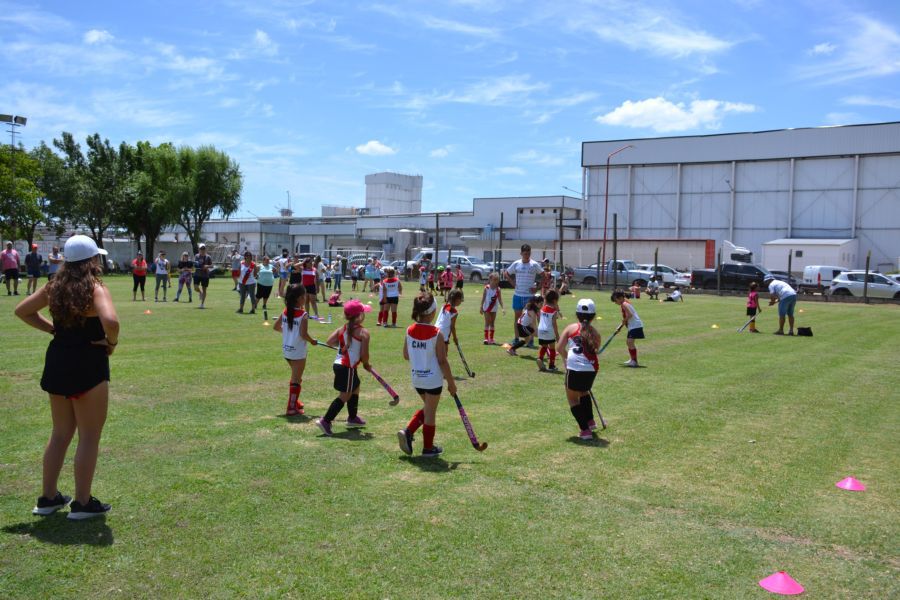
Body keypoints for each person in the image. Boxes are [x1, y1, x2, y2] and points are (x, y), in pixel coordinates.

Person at [14, 234, 118, 519]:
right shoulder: (96, 288)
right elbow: (111, 322)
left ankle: (48, 498)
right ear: (92, 260)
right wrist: (112, 343)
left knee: (60, 434)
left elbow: (22, 311)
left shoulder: (53, 287)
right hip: (88, 363)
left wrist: (53, 330)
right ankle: (82, 503)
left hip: (58, 360)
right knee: (89, 436)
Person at [397, 293, 458, 457]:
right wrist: (451, 383)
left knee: (428, 408)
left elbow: (406, 355)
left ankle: (408, 432)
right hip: (432, 380)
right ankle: (427, 447)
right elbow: (442, 361)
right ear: (432, 313)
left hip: (417, 379)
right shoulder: (437, 333)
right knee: (430, 412)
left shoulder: (409, 330)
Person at [316, 299, 371, 435]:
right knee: (345, 395)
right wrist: (366, 364)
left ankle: (352, 417)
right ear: (359, 315)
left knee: (355, 386)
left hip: (338, 364)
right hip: (348, 367)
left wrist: (344, 347)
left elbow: (329, 342)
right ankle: (326, 421)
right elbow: (364, 355)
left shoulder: (343, 328)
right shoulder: (364, 332)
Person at [556, 298, 602, 440]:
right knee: (583, 391)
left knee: (573, 399)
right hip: (592, 368)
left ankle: (585, 430)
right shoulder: (595, 333)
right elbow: (595, 349)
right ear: (593, 316)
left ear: (577, 314)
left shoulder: (570, 328)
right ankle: (590, 421)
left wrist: (566, 360)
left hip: (574, 367)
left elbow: (559, 348)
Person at [273, 284, 318, 416]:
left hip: (287, 350)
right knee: (296, 379)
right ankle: (291, 407)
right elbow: (304, 335)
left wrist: (288, 333)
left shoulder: (286, 310)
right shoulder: (303, 314)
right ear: (299, 298)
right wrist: (312, 341)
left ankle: (295, 401)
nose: (305, 299)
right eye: (304, 297)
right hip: (298, 352)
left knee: (295, 377)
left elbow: (276, 327)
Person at [505, 244, 543, 347]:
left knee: (531, 319)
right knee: (517, 319)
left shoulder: (534, 264)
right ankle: (516, 338)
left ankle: (530, 340)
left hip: (529, 296)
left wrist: (537, 287)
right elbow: (506, 273)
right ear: (521, 253)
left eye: (528, 253)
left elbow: (544, 276)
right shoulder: (516, 263)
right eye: (525, 253)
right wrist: (512, 283)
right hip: (517, 295)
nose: (526, 255)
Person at [612, 289, 645, 367]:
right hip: (633, 326)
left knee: (630, 342)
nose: (615, 302)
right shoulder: (624, 303)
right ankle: (632, 359)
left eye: (615, 300)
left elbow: (630, 315)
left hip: (635, 325)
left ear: (619, 298)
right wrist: (620, 327)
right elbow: (627, 317)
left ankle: (634, 361)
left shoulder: (624, 304)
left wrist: (623, 321)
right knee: (629, 342)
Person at [537, 290, 561, 372]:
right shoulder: (553, 312)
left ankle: (540, 358)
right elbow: (554, 324)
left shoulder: (542, 308)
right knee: (552, 348)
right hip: (549, 330)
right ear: (555, 301)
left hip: (540, 329)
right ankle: (551, 365)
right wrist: (557, 335)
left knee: (544, 346)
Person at [435, 289, 463, 353]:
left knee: (437, 353)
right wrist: (455, 338)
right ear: (456, 299)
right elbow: (452, 327)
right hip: (443, 333)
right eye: (460, 299)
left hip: (435, 330)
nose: (461, 301)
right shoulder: (454, 312)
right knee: (444, 354)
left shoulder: (444, 306)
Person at [480, 272, 504, 344]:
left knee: (492, 323)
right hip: (487, 308)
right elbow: (483, 297)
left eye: (497, 280)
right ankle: (486, 338)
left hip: (494, 308)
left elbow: (500, 299)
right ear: (490, 279)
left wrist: (503, 308)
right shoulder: (486, 288)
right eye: (494, 279)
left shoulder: (498, 289)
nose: (496, 281)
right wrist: (481, 306)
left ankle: (492, 338)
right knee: (488, 322)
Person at [193, 244, 213, 309]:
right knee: (195, 287)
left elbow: (212, 265)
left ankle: (202, 304)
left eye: (203, 249)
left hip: (205, 275)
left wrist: (207, 266)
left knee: (204, 289)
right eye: (201, 249)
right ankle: (200, 292)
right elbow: (195, 263)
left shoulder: (208, 257)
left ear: (205, 249)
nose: (202, 250)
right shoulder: (196, 256)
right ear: (199, 249)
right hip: (197, 274)